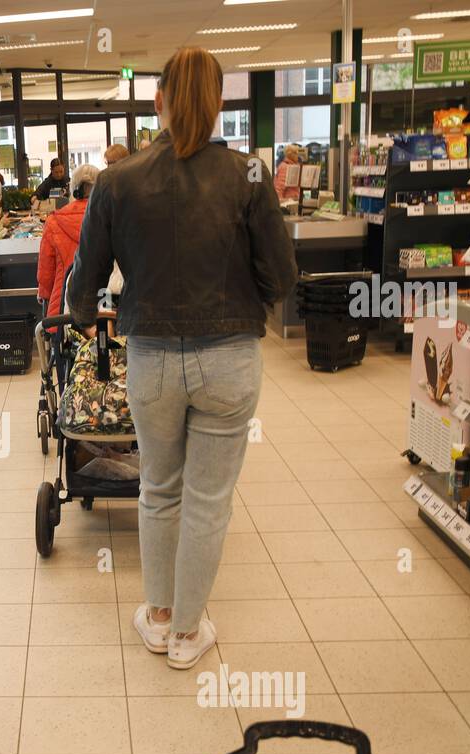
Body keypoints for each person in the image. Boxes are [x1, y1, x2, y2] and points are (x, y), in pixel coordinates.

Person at [66, 46, 297, 669]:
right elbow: (282, 274)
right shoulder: (249, 175)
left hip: (151, 359)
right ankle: (190, 634)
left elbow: (83, 283)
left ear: (160, 101)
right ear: (220, 102)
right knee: (207, 499)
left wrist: (87, 320)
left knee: (159, 488)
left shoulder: (117, 181)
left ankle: (159, 616)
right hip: (229, 359)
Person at [37, 164, 99, 315]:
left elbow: (45, 274)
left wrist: (44, 294)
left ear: (73, 188)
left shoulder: (54, 221)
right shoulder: (111, 219)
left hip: (63, 311)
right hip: (104, 305)